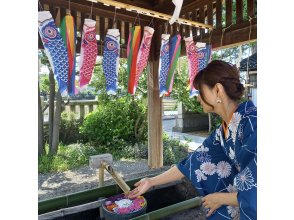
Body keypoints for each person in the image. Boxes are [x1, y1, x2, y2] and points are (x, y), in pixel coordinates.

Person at [129, 60, 257, 220]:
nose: (197, 98)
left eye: (200, 92)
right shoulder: (222, 132)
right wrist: (151, 181)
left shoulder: (253, 123)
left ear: (217, 90)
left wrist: (220, 198)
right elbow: (192, 163)